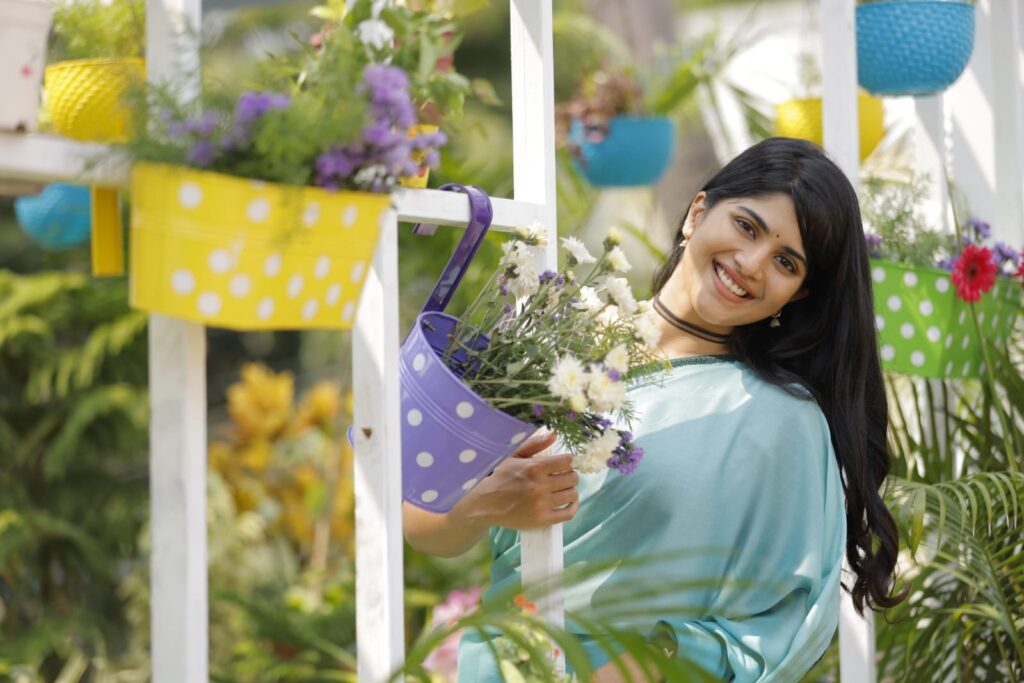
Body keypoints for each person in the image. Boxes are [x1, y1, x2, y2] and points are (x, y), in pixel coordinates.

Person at [403, 137, 906, 681]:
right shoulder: (549, 334)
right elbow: (421, 519)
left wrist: (648, 661)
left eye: (786, 262)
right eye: (747, 226)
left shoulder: (780, 421)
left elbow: (781, 623)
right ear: (697, 211)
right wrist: (488, 504)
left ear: (797, 295)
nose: (752, 263)